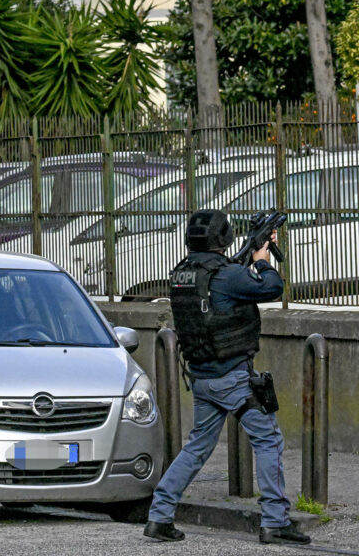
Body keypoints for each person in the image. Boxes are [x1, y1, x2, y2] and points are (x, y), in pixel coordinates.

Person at [142, 209, 310, 545]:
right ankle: (275, 521)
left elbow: (223, 284)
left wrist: (252, 250)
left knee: (197, 448)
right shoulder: (228, 274)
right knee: (268, 440)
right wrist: (262, 259)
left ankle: (159, 516)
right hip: (231, 377)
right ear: (224, 238)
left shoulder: (184, 273)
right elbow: (272, 287)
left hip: (202, 377)